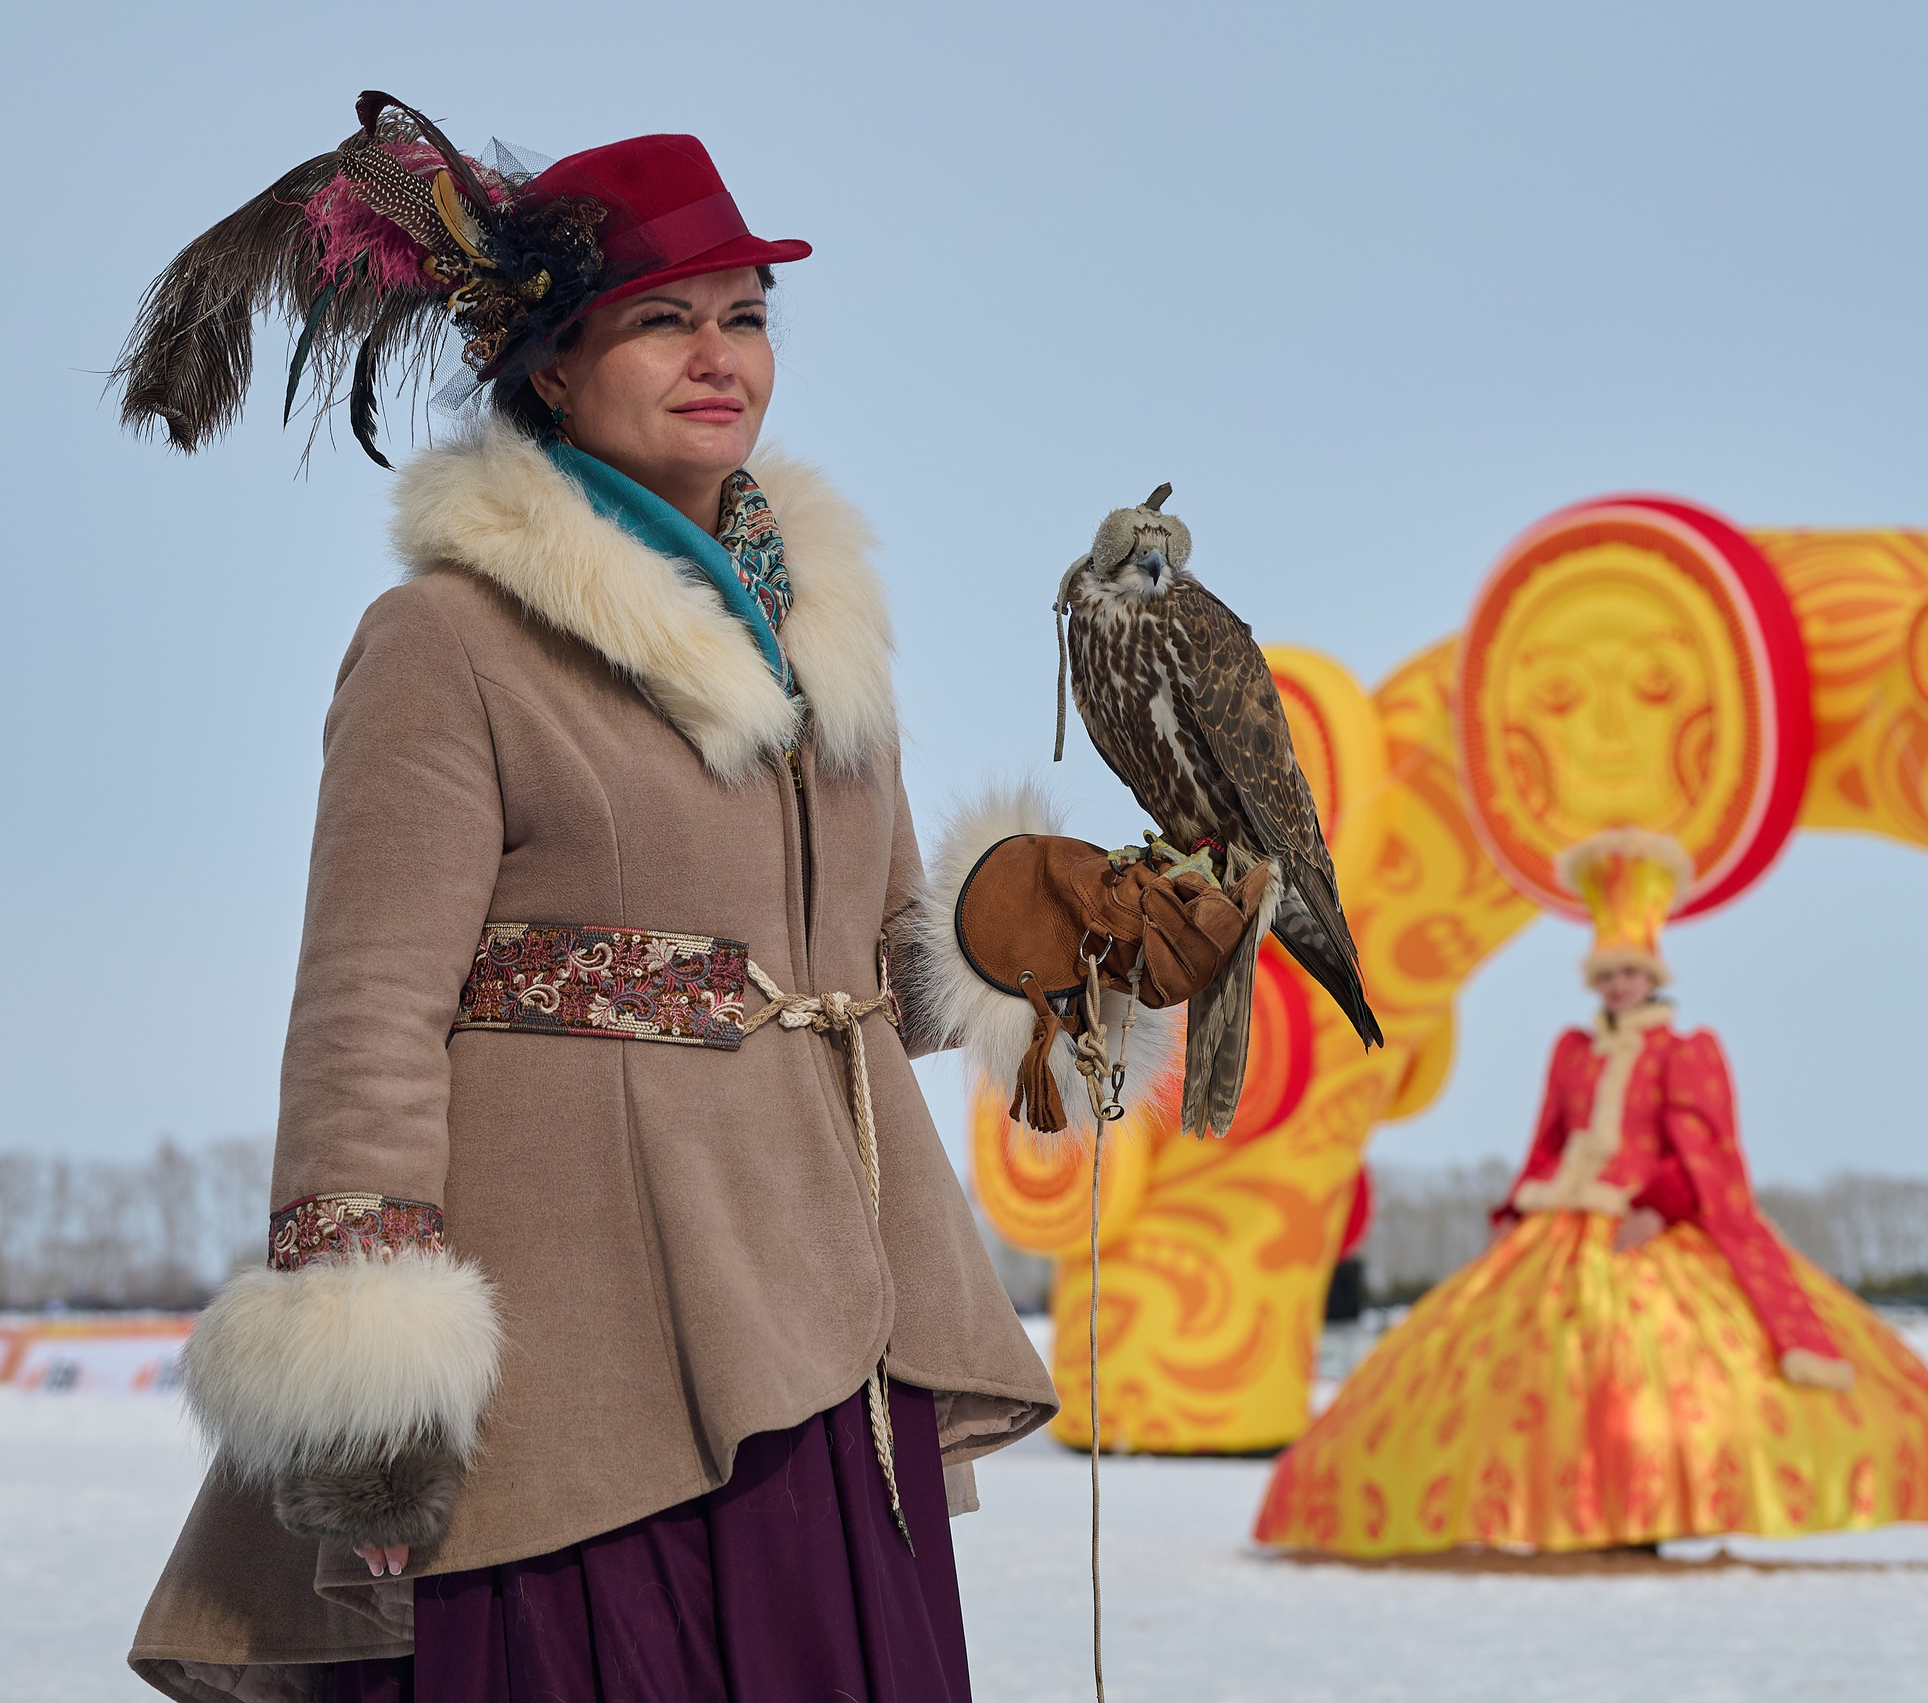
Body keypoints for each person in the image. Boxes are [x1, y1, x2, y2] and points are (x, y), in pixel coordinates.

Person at [108, 95, 1283, 1703]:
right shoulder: (445, 643)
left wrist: (1061, 939)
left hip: (820, 1323)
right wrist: (368, 1369)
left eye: (744, 315)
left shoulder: (827, 636)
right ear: (548, 367)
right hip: (571, 1350)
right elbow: (369, 1005)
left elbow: (872, 969)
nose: (719, 351)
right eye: (661, 320)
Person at [1255, 830, 1928, 1557]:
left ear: (1651, 978)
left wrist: (1661, 1206)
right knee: (1541, 1368)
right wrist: (1516, 1209)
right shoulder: (1572, 1052)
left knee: (1651, 1367)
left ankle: (1656, 1506)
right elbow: (1546, 1140)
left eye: (1630, 975)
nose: (1618, 987)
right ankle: (1564, 1509)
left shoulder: (1683, 1052)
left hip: (1648, 1222)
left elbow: (1706, 1152)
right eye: (1607, 976)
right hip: (1564, 1218)